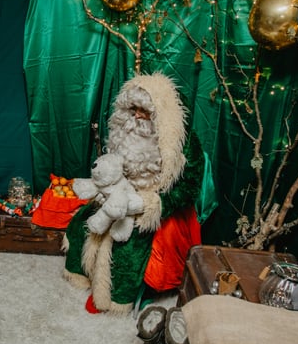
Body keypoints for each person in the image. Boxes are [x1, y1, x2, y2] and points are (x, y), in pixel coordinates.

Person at [63, 72, 205, 315]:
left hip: (153, 199)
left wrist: (148, 203)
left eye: (144, 111)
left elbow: (188, 189)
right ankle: (84, 274)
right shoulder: (124, 131)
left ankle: (113, 297)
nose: (137, 115)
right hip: (120, 192)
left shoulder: (184, 144)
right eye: (133, 108)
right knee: (82, 222)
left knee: (127, 244)